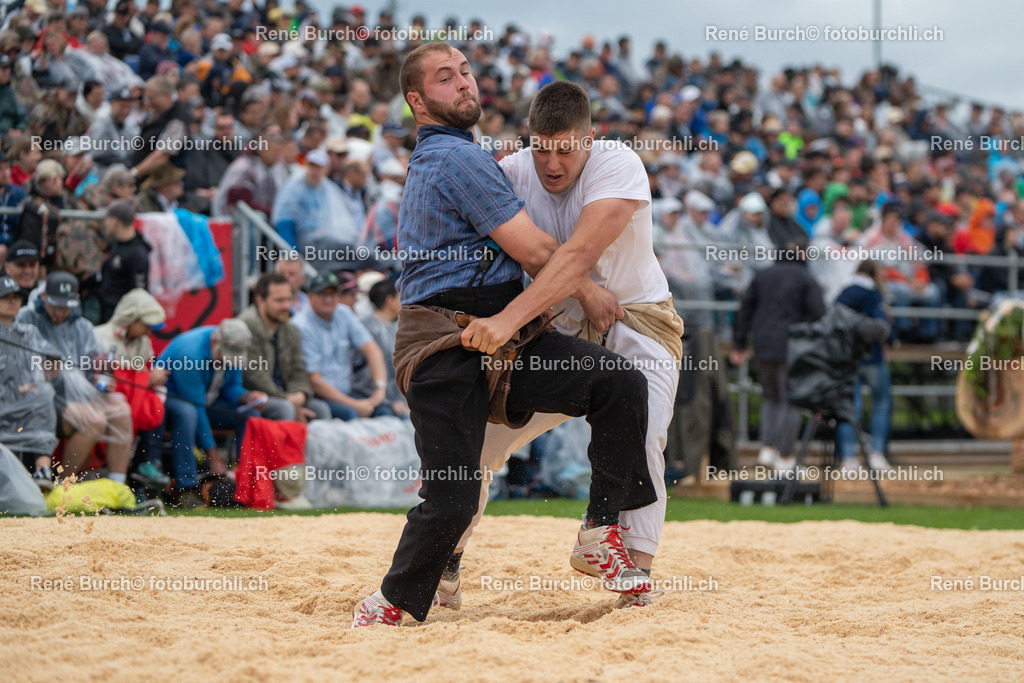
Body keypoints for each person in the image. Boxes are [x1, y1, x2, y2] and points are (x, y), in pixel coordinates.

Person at [352, 43, 653, 628]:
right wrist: (590, 290)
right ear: (417, 101)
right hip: (443, 341)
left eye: (465, 71)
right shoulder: (454, 157)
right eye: (445, 78)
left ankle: (600, 530)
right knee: (453, 497)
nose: (464, 83)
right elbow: (538, 250)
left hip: (500, 333)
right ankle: (390, 601)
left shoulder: (468, 156)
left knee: (617, 382)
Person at [437, 79, 685, 609]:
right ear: (530, 139)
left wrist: (506, 321)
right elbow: (524, 250)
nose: (552, 163)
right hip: (551, 328)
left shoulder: (618, 163)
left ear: (589, 140)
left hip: (636, 319)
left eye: (565, 149)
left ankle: (630, 575)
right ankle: (443, 567)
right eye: (541, 148)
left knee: (646, 438)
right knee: (478, 445)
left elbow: (575, 253)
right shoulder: (510, 171)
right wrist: (585, 291)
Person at [16, 271, 134, 481]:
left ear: (76, 300)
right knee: (93, 420)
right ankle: (62, 486)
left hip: (78, 397)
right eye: (55, 306)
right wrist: (45, 371)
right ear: (43, 297)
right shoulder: (26, 318)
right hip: (41, 399)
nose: (60, 313)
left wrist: (97, 381)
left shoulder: (83, 328)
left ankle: (119, 486)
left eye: (65, 307)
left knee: (122, 411)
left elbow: (89, 370)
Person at [731, 243, 826, 471]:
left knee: (770, 397)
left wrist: (740, 344)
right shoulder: (804, 277)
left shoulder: (761, 276)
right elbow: (820, 314)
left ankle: (767, 450)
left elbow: (744, 310)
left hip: (762, 345)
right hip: (791, 345)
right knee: (790, 400)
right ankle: (785, 457)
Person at [158, 318, 263, 509]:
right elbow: (197, 409)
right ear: (216, 343)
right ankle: (187, 487)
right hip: (169, 405)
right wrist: (213, 457)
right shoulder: (190, 354)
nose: (229, 361)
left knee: (250, 416)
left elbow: (231, 388)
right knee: (188, 413)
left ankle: (245, 480)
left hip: (205, 402)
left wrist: (246, 397)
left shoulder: (231, 344)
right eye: (226, 355)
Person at [93, 288, 170, 487]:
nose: (149, 331)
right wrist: (147, 378)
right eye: (146, 325)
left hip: (132, 405)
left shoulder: (143, 342)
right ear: (131, 319)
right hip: (103, 403)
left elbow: (140, 371)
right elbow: (103, 379)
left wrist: (148, 378)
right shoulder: (99, 337)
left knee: (156, 407)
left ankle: (143, 467)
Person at [291, 271, 392, 421]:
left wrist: (379, 391)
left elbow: (373, 350)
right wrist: (356, 405)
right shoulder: (301, 325)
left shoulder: (343, 313)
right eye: (322, 294)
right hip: (319, 395)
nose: (328, 300)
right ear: (310, 296)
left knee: (384, 413)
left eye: (332, 294)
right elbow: (314, 380)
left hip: (346, 392)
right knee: (352, 415)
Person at [239, 272, 330, 422]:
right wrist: (288, 400)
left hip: (288, 395)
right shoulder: (246, 327)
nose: (286, 306)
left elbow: (299, 370)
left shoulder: (290, 329)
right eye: (279, 301)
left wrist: (300, 395)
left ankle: (318, 447)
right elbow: (254, 377)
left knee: (321, 409)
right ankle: (282, 447)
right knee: (284, 409)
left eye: (289, 299)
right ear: (260, 300)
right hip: (255, 396)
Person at [834, 260, 895, 472]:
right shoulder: (873, 294)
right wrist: (891, 339)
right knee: (881, 403)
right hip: (872, 357)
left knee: (850, 407)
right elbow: (882, 325)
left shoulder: (842, 294)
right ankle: (876, 453)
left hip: (847, 358)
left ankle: (848, 457)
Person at [0, 274, 58, 490]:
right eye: (6, 297)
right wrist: (17, 389)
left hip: (28, 402)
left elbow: (52, 357)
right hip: (5, 402)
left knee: (44, 394)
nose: (13, 301)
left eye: (16, 297)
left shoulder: (28, 332)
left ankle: (44, 471)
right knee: (41, 396)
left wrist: (52, 365)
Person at [271, 148, 359, 249]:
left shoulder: (330, 189)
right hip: (307, 242)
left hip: (328, 241)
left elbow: (343, 221)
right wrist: (293, 253)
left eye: (319, 167)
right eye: (312, 166)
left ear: (326, 169)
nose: (314, 171)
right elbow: (284, 221)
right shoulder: (293, 187)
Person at [352, 277, 409, 417]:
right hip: (370, 394)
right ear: (390, 301)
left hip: (397, 397)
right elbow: (371, 371)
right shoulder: (367, 326)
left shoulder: (397, 325)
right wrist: (390, 401)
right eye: (400, 296)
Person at [96, 200, 150, 322]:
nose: (105, 223)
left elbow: (139, 292)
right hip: (108, 313)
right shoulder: (117, 244)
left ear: (115, 222)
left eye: (107, 219)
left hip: (122, 320)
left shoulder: (137, 254)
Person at [3, 240, 41, 305]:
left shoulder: (45, 295)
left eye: (32, 265)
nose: (27, 271)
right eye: (21, 265)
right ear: (7, 267)